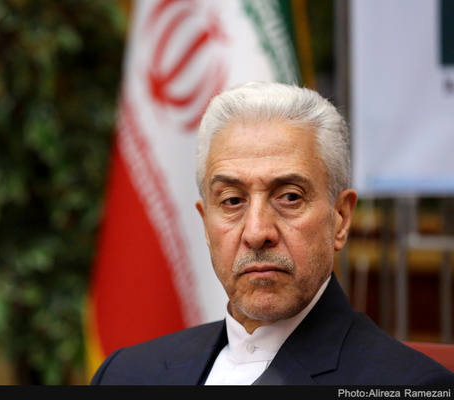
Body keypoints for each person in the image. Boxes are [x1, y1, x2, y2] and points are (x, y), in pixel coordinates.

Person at [90, 81, 454, 385]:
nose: (257, 232)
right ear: (205, 224)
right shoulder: (125, 374)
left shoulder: (411, 385)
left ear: (341, 218)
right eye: (232, 200)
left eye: (290, 197)